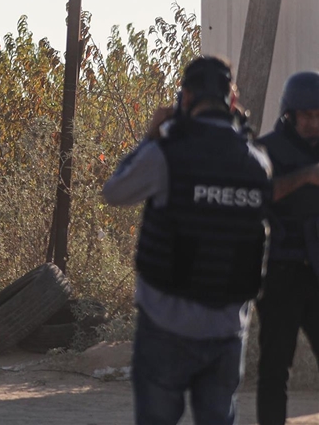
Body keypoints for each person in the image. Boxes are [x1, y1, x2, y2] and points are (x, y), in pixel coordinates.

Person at [101, 55, 273, 425]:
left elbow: (114, 191)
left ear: (186, 97)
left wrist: (150, 136)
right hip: (227, 332)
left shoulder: (165, 154)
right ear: (231, 102)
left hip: (166, 328)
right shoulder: (257, 163)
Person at [255, 70, 319, 425]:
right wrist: (306, 177)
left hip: (317, 270)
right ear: (290, 115)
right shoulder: (266, 151)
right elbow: (258, 196)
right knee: (275, 369)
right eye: (307, 116)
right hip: (280, 272)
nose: (313, 123)